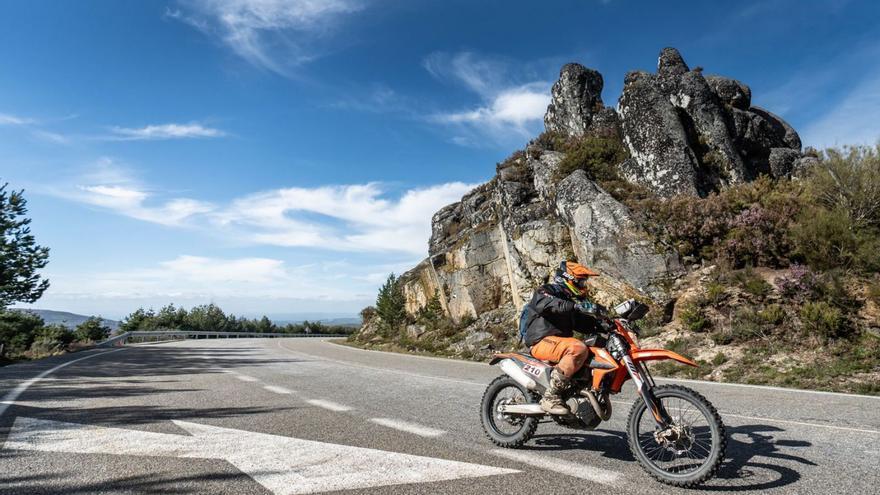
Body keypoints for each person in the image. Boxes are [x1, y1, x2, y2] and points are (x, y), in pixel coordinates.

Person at [522, 261, 602, 414]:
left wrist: (605, 325)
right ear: (567, 279)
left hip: (558, 344)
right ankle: (550, 397)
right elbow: (547, 304)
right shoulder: (546, 290)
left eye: (583, 281)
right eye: (580, 281)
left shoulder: (571, 302)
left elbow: (584, 324)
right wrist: (575, 307)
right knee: (578, 348)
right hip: (541, 340)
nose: (582, 284)